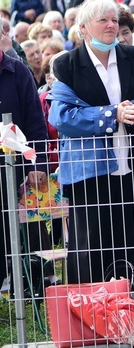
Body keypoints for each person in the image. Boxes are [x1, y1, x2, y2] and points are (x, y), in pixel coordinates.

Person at [48, 0, 134, 285]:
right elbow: (61, 116)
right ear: (84, 28)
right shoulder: (68, 64)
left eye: (114, 19)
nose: (112, 25)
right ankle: (90, 323)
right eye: (103, 20)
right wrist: (112, 114)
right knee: (92, 250)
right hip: (90, 176)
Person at [0, 22, 49, 289]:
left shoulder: (17, 69)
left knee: (26, 229)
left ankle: (31, 285)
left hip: (16, 167)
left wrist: (37, 162)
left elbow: (34, 119)